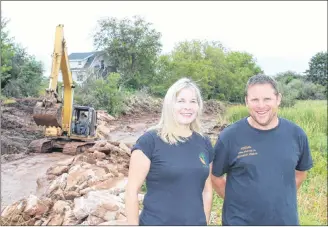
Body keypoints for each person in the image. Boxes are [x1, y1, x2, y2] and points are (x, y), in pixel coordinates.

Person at [211, 74, 313, 225]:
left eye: (267, 99)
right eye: (254, 100)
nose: (261, 106)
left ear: (278, 99)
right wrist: (242, 205)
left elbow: (300, 173)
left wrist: (279, 199)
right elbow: (216, 178)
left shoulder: (296, 134)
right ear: (246, 101)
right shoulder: (229, 136)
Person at [125, 78, 214, 225]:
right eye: (181, 101)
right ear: (169, 105)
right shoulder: (149, 142)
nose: (188, 107)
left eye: (193, 101)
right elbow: (131, 192)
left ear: (199, 106)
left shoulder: (204, 142)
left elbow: (207, 191)